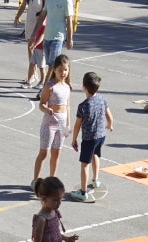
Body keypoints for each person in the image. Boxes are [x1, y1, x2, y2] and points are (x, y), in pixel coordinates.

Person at [69, 72, 113, 202]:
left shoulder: (83, 106)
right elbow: (109, 115)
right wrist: (110, 124)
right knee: (96, 155)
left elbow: (77, 125)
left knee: (84, 165)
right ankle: (95, 180)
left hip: (89, 139)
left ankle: (83, 192)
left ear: (84, 87)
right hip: (101, 136)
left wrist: (74, 139)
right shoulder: (102, 99)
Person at [32, 55, 72, 188]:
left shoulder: (67, 87)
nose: (63, 73)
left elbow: (68, 106)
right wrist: (47, 109)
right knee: (44, 152)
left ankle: (52, 180)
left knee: (56, 153)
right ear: (54, 69)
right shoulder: (50, 86)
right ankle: (36, 181)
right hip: (49, 124)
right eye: (60, 70)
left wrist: (68, 124)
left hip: (61, 125)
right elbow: (41, 104)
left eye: (65, 70)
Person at [16, 1, 47, 88]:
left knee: (33, 48)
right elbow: (23, 5)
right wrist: (17, 16)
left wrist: (42, 19)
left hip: (39, 22)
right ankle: (33, 74)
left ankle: (35, 76)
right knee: (30, 48)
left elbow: (46, 9)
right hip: (30, 21)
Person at [41, 0, 73, 66]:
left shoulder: (67, 1)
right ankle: (52, 76)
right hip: (47, 36)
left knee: (53, 64)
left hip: (58, 37)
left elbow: (69, 22)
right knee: (50, 64)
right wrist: (34, 33)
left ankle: (48, 77)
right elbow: (42, 16)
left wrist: (69, 39)